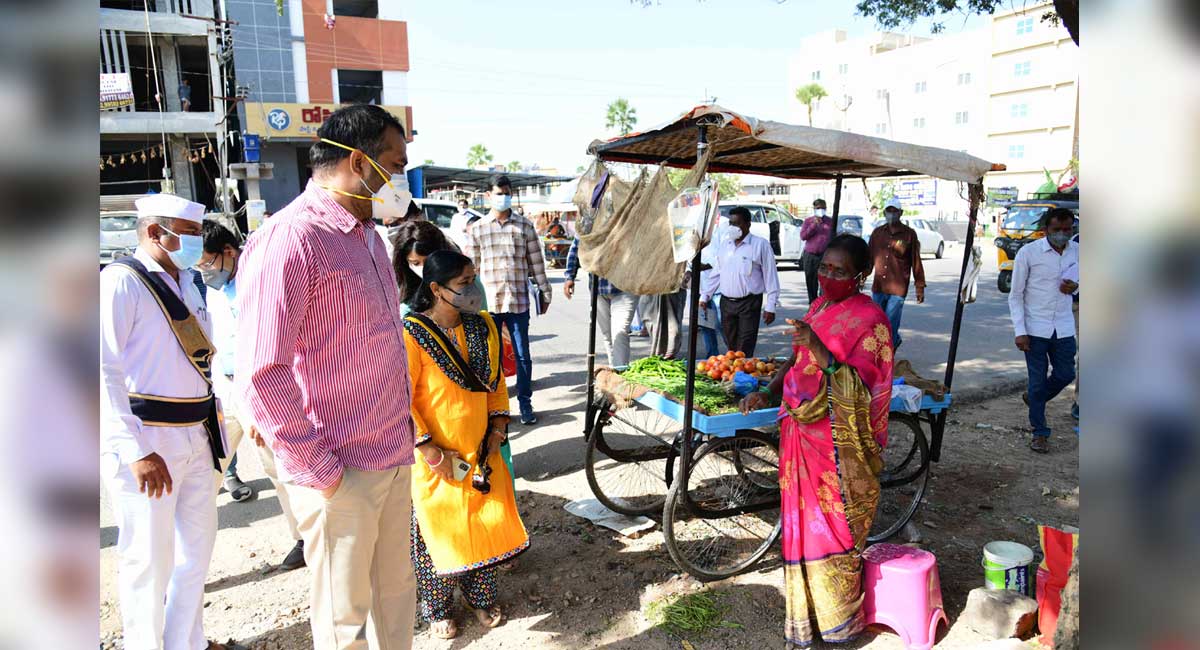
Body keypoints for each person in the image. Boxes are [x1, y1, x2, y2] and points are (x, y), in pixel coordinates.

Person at [237, 104, 417, 650]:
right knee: (344, 620)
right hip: (339, 467)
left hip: (390, 451)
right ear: (360, 163)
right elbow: (262, 370)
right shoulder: (290, 239)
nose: (401, 176)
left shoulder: (366, 237)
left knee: (395, 597)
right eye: (395, 162)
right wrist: (322, 471)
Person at [100, 193, 247, 650]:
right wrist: (133, 450)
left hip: (196, 435)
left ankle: (187, 642)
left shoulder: (186, 282)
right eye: (186, 235)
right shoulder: (122, 282)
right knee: (148, 559)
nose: (196, 245)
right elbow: (99, 367)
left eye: (197, 235)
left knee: (195, 553)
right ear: (154, 233)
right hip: (148, 437)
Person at [739, 234, 893, 648]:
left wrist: (820, 351)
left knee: (833, 527)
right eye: (824, 267)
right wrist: (768, 392)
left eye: (839, 271)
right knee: (800, 524)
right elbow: (795, 358)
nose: (827, 276)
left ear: (859, 275)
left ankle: (840, 622)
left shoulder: (871, 319)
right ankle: (805, 617)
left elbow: (863, 387)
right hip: (799, 429)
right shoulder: (820, 305)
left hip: (837, 445)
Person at [403, 251, 529, 639]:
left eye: (473, 279)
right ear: (437, 289)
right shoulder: (411, 333)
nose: (472, 289)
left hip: (480, 449)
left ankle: (480, 596)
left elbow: (496, 383)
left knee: (481, 522)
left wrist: (497, 429)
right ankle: (438, 607)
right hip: (435, 456)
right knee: (436, 532)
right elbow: (398, 399)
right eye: (463, 283)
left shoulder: (484, 327)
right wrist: (429, 450)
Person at [196, 219, 305, 571]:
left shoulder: (258, 280)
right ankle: (187, 550)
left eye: (207, 264)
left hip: (258, 389)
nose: (203, 273)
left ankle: (303, 539)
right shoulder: (214, 287)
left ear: (228, 252)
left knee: (278, 468)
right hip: (224, 387)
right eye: (198, 266)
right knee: (204, 466)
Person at [465, 174, 552, 425]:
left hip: (518, 303)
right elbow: (471, 270)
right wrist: (468, 304)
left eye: (507, 192)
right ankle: (497, 407)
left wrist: (545, 292)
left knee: (523, 355)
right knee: (492, 357)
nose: (503, 196)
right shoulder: (479, 228)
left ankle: (525, 403)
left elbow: (536, 264)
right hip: (489, 304)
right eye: (499, 192)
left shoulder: (524, 227)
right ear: (489, 196)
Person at [1008, 207, 1078, 454]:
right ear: (1046, 229)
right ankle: (1040, 432)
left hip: (1064, 327)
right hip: (1035, 328)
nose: (1062, 234)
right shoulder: (1029, 253)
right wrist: (1020, 330)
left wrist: (1076, 288)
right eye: (1057, 229)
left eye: (1067, 229)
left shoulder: (1079, 252)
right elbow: (1015, 295)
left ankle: (1035, 398)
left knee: (1066, 374)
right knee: (1037, 382)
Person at [700, 206, 780, 357]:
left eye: (737, 224)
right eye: (731, 224)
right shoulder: (725, 246)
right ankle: (736, 375)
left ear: (748, 224)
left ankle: (742, 377)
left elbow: (771, 277)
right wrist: (705, 296)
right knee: (731, 346)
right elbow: (716, 274)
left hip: (749, 304)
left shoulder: (760, 245)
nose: (733, 228)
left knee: (744, 346)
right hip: (727, 304)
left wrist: (771, 306)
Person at [563, 237, 637, 367]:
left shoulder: (627, 218)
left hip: (625, 287)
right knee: (608, 335)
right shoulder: (591, 220)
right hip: (598, 288)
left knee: (619, 332)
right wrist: (570, 277)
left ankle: (620, 372)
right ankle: (615, 371)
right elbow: (576, 247)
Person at [867, 197, 925, 349]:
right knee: (876, 323)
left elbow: (915, 260)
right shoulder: (878, 233)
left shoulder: (908, 234)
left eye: (895, 211)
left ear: (900, 213)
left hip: (897, 289)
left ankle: (887, 355)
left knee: (890, 324)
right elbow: (869, 258)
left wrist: (920, 286)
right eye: (889, 211)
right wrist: (860, 277)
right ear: (884, 213)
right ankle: (890, 344)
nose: (891, 214)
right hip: (879, 287)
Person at [799, 198, 834, 304]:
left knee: (825, 281)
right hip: (810, 255)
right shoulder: (808, 221)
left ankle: (823, 304)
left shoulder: (830, 221)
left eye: (823, 208)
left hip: (825, 256)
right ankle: (812, 304)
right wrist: (814, 225)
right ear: (814, 209)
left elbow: (834, 236)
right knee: (811, 281)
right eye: (818, 208)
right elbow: (803, 236)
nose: (821, 210)